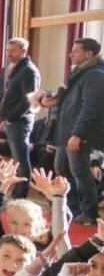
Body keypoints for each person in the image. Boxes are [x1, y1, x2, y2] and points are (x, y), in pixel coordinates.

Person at [48, 38, 104, 224]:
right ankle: (71, 208)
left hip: (79, 134)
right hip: (68, 132)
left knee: (80, 172)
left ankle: (89, 213)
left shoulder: (95, 75)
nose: (71, 54)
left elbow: (91, 107)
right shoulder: (80, 73)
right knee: (61, 168)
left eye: (76, 51)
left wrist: (78, 133)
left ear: (89, 54)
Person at [0, 38, 41, 198]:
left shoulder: (29, 70)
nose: (9, 54)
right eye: (8, 50)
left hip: (19, 122)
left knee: (21, 159)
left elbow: (28, 99)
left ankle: (21, 194)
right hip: (11, 121)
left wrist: (11, 118)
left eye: (13, 50)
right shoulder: (17, 69)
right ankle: (16, 191)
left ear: (24, 51)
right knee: (15, 160)